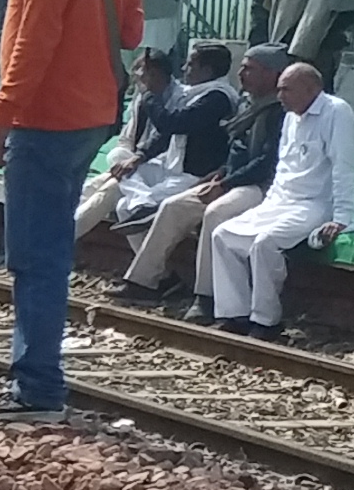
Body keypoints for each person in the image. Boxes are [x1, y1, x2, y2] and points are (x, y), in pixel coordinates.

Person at [0, 0, 142, 421]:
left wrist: (2, 114)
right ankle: (36, 380)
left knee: (35, 255)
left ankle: (37, 388)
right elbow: (132, 31)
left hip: (47, 117)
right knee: (49, 250)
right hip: (91, 115)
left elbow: (32, 39)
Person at [117, 47, 294, 305]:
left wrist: (224, 183)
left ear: (270, 74)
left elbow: (266, 163)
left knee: (215, 214)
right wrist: (220, 174)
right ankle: (145, 281)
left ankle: (206, 296)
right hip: (230, 179)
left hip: (260, 186)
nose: (241, 74)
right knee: (172, 206)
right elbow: (237, 151)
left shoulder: (278, 110)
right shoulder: (248, 104)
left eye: (249, 69)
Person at [205, 62, 354, 338]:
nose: (280, 97)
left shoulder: (337, 112)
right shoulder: (290, 117)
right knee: (223, 235)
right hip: (281, 201)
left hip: (314, 204)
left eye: (286, 90)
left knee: (266, 242)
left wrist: (341, 218)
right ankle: (235, 313)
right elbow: (284, 167)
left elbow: (344, 168)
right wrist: (268, 205)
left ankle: (266, 321)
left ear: (311, 88)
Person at [80, 43, 241, 235]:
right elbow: (165, 136)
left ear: (207, 70)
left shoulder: (217, 98)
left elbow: (172, 124)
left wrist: (149, 94)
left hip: (192, 175)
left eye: (190, 65)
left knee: (122, 200)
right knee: (119, 166)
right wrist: (139, 157)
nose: (183, 69)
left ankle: (64, 235)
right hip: (169, 166)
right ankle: (140, 203)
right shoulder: (194, 93)